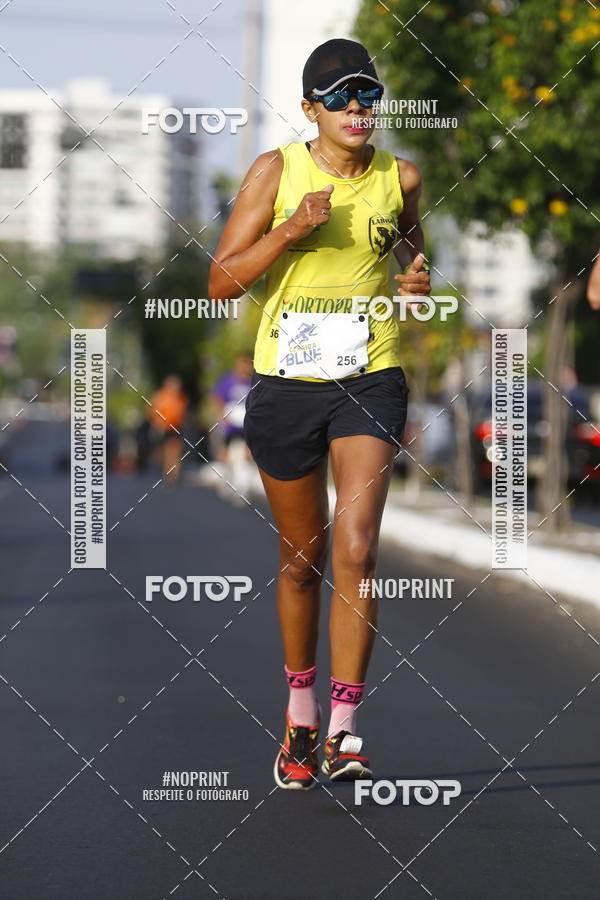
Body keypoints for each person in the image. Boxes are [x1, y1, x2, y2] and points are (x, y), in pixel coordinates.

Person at [208, 39, 431, 790]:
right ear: (312, 109)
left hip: (370, 378)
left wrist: (416, 280)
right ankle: (300, 714)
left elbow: (410, 253)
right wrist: (289, 231)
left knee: (357, 551)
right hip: (286, 385)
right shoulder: (275, 171)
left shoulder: (401, 177)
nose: (357, 108)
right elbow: (220, 281)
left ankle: (344, 727)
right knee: (302, 561)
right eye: (340, 97)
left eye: (368, 94)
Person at [210, 353, 255, 501]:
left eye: (247, 364)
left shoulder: (252, 382)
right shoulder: (228, 381)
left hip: (246, 424)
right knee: (224, 454)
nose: (244, 367)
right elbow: (216, 397)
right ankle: (225, 482)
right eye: (242, 363)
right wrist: (223, 414)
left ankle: (242, 488)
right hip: (230, 424)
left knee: (247, 455)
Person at [149, 375, 188, 485]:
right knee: (165, 452)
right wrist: (158, 422)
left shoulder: (180, 398)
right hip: (164, 427)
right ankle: (167, 472)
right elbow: (153, 411)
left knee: (175, 450)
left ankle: (174, 475)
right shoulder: (161, 397)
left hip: (176, 427)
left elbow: (183, 412)